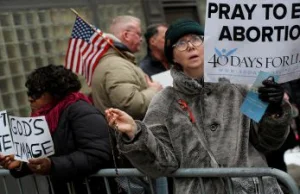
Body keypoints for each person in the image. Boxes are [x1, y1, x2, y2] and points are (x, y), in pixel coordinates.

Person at [105, 19, 293, 194]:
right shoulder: (164, 101)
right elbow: (161, 164)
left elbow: (268, 141)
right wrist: (134, 133)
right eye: (181, 43)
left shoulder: (241, 87)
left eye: (196, 39)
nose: (190, 46)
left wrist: (274, 110)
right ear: (173, 57)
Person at [0, 65, 113, 194]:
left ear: (55, 93)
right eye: (29, 92)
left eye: (37, 93)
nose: (30, 98)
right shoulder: (44, 118)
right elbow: (43, 155)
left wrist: (52, 165)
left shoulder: (81, 111)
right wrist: (21, 164)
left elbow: (98, 154)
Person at [91, 15, 162, 120]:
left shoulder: (118, 61)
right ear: (126, 35)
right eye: (139, 34)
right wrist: (154, 90)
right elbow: (131, 106)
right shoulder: (116, 66)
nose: (141, 39)